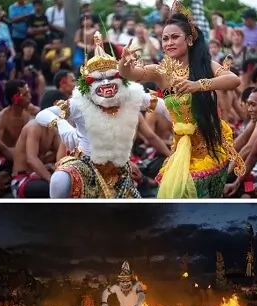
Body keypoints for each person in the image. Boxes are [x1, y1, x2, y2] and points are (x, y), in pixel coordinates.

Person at [118, 1, 244, 198]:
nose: (169, 43)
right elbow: (130, 74)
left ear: (190, 40)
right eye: (165, 38)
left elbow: (234, 80)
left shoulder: (205, 65)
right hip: (181, 149)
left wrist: (198, 85)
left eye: (175, 37)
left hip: (208, 147)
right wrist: (123, 63)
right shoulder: (161, 72)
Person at [34, 32, 168, 198]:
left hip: (119, 169)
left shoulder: (130, 96)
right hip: (86, 165)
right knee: (59, 180)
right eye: (99, 79)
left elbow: (162, 106)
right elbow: (42, 114)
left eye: (111, 77)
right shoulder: (80, 103)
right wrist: (61, 124)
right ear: (88, 82)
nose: (106, 83)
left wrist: (183, 122)